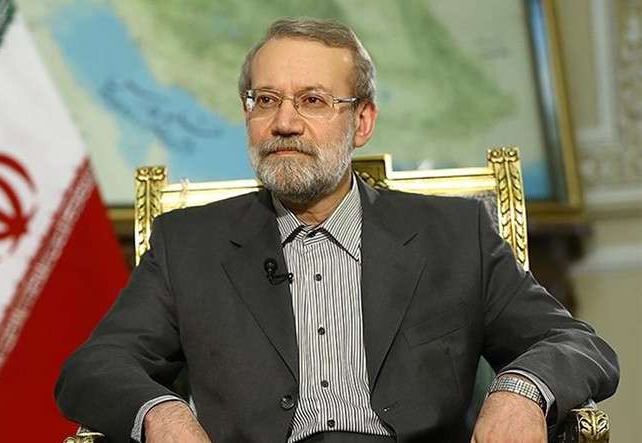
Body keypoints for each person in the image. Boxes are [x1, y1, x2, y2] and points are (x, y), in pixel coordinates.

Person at [55, 17, 619, 443]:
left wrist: (520, 392)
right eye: (265, 100)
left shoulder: (454, 234)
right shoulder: (189, 244)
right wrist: (163, 413)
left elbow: (577, 343)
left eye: (313, 101)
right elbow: (93, 368)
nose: (284, 123)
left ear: (362, 121)